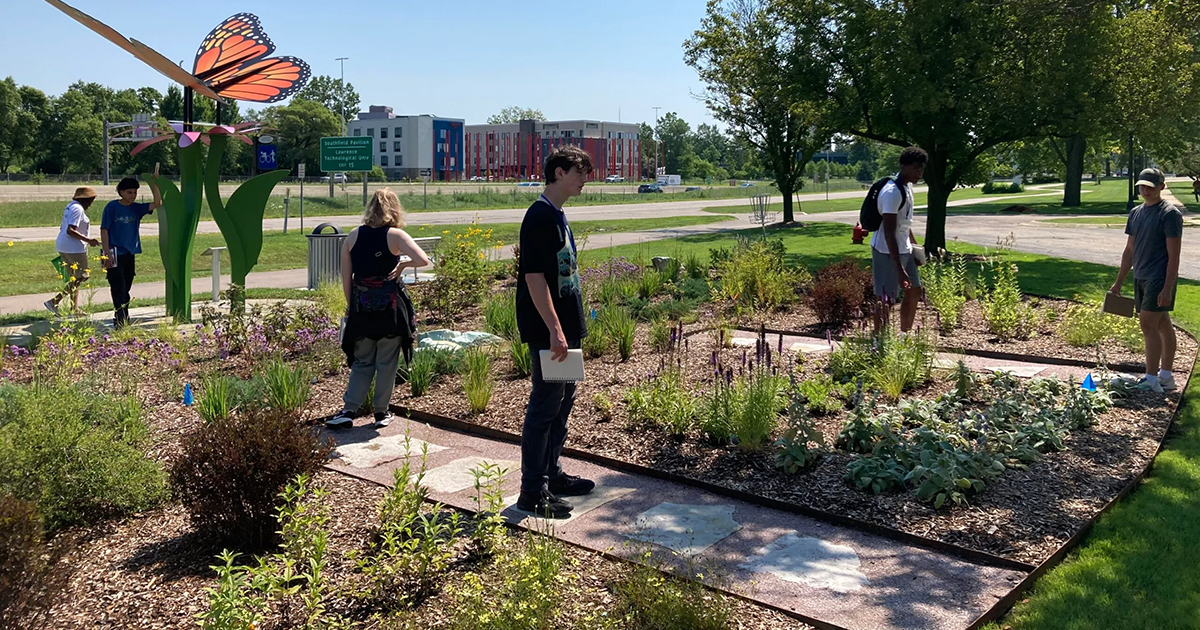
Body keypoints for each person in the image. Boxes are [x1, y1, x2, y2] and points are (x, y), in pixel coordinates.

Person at [514, 145, 594, 518]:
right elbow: (534, 279)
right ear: (559, 173)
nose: (584, 180)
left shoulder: (557, 215)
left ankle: (552, 473)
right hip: (550, 332)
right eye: (580, 172)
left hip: (564, 328)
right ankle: (532, 492)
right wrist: (555, 330)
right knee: (545, 406)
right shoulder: (539, 217)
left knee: (562, 404)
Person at [327, 189, 429, 429]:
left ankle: (348, 410)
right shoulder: (395, 235)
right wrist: (403, 263)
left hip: (362, 307)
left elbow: (346, 277)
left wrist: (351, 307)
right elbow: (423, 259)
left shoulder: (352, 237)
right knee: (386, 361)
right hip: (390, 309)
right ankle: (381, 412)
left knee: (362, 361)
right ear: (394, 209)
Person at [1110, 168, 1183, 392]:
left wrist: (1167, 288)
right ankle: (1166, 378)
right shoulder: (1136, 213)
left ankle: (1151, 380)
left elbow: (1174, 255)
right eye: (1142, 186)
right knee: (1162, 324)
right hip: (1140, 275)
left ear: (1161, 186)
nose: (1145, 190)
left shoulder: (1169, 214)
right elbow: (1129, 250)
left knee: (1147, 325)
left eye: (1150, 186)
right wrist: (1119, 281)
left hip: (1158, 278)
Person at [871, 147, 928, 333]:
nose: (920, 173)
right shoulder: (892, 193)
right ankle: (878, 343)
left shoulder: (908, 187)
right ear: (904, 167)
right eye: (916, 169)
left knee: (914, 291)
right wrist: (899, 268)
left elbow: (905, 223)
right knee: (886, 299)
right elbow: (889, 232)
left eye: (922, 169)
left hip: (905, 249)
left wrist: (915, 247)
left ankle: (904, 337)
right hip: (886, 252)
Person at [100, 167, 162, 328]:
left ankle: (122, 314)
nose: (132, 196)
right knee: (117, 286)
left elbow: (157, 203)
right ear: (120, 192)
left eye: (134, 193)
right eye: (129, 192)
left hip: (129, 253)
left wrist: (155, 183)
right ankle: (121, 319)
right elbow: (104, 230)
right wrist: (106, 253)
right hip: (114, 253)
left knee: (126, 288)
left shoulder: (136, 208)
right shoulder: (112, 207)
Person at [46, 187, 102, 315]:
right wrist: (88, 240)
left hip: (64, 245)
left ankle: (74, 308)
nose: (91, 203)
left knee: (74, 278)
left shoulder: (71, 206)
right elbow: (70, 230)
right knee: (82, 277)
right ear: (86, 199)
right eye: (91, 200)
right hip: (73, 247)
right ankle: (54, 301)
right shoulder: (78, 209)